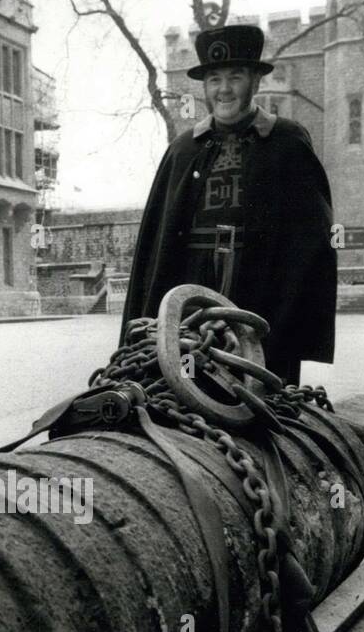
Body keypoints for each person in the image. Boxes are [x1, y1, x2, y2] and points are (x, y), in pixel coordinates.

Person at [119, 24, 336, 386]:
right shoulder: (182, 150)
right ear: (204, 87)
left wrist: (286, 316)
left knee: (260, 405)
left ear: (256, 82)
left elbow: (311, 242)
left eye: (235, 77)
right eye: (214, 79)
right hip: (191, 298)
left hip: (263, 293)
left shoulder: (287, 142)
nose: (224, 89)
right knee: (187, 390)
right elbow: (156, 247)